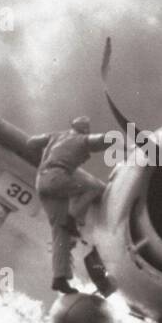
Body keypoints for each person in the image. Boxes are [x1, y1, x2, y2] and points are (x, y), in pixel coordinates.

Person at [27, 116, 108, 293]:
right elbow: (102, 140)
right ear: (86, 130)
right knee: (93, 188)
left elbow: (31, 142)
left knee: (59, 233)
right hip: (58, 177)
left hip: (41, 180)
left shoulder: (55, 135)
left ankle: (59, 278)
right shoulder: (82, 139)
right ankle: (73, 217)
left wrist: (48, 155)